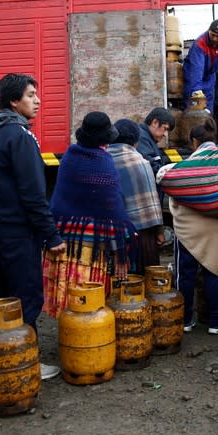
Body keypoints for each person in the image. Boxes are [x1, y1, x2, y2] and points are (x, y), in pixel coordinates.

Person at [0, 73, 66, 380]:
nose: (38, 100)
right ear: (14, 101)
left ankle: (1, 361)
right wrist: (51, 235)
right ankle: (25, 362)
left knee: (1, 297)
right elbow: (33, 193)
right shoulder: (21, 136)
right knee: (26, 297)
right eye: (31, 95)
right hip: (17, 232)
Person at [158, 116, 218, 335]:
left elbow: (167, 179)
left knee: (185, 275)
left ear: (195, 143)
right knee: (214, 272)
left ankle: (185, 320)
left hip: (189, 232)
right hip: (216, 231)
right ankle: (216, 322)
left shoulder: (188, 167)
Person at [43, 111, 134, 316]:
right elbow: (114, 208)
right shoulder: (104, 162)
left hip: (64, 238)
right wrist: (121, 247)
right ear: (104, 140)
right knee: (88, 299)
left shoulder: (69, 156)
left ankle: (70, 333)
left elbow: (61, 197)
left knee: (68, 296)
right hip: (90, 245)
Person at [108, 118, 165, 274]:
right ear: (135, 143)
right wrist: (159, 230)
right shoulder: (143, 162)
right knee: (147, 281)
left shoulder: (105, 161)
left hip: (119, 236)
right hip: (145, 236)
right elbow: (153, 199)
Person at [137, 107, 175, 176]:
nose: (165, 134)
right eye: (165, 128)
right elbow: (152, 167)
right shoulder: (141, 138)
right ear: (155, 122)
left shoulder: (148, 138)